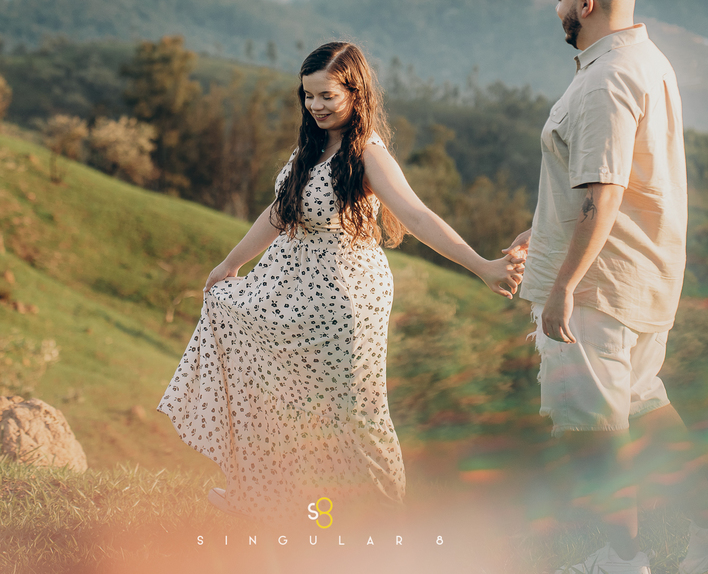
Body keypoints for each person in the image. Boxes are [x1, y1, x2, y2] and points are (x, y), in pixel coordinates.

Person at [158, 40, 522, 521]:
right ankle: (264, 498)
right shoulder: (311, 147)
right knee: (279, 398)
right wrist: (231, 263)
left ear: (356, 90)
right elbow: (279, 212)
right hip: (291, 292)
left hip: (344, 301)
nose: (317, 106)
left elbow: (415, 215)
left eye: (328, 95)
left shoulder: (368, 152)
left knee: (356, 416)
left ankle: (390, 521)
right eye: (308, 96)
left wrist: (482, 265)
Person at [505, 0, 708, 574]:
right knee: (641, 403)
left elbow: (604, 191)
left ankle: (619, 560)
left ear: (584, 2)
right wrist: (535, 231)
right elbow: (599, 179)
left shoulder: (604, 80)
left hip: (599, 287)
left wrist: (564, 284)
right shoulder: (644, 60)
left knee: (595, 427)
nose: (557, 7)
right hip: (641, 276)